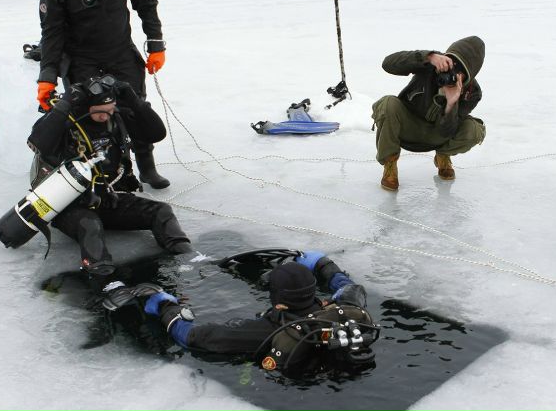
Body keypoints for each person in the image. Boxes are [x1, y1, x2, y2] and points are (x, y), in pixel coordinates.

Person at [27, 74, 193, 290]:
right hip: (69, 206)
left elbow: (156, 133)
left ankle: (188, 258)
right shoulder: (67, 123)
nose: (106, 116)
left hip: (108, 198)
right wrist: (65, 104)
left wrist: (133, 99)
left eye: (110, 110)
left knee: (161, 212)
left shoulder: (116, 119)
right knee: (90, 224)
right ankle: (103, 279)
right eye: (100, 112)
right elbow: (38, 142)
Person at [36, 0, 171, 189]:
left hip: (120, 53)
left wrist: (156, 45)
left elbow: (146, 5)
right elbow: (51, 34)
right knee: (91, 117)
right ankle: (102, 174)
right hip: (81, 59)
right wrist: (47, 77)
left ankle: (147, 168)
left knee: (134, 109)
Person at [129, 250, 376, 372]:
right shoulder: (345, 309)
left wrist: (165, 307)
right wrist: (322, 263)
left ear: (278, 304)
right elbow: (348, 286)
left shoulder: (264, 332)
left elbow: (194, 337)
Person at [371, 36, 486, 191]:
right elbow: (388, 64)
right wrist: (427, 57)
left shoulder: (472, 92)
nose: (450, 72)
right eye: (452, 64)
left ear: (469, 74)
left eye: (459, 71)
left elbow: (447, 131)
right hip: (408, 126)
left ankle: (443, 155)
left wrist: (451, 104)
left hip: (438, 135)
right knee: (387, 104)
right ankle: (390, 164)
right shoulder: (430, 63)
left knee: (474, 130)